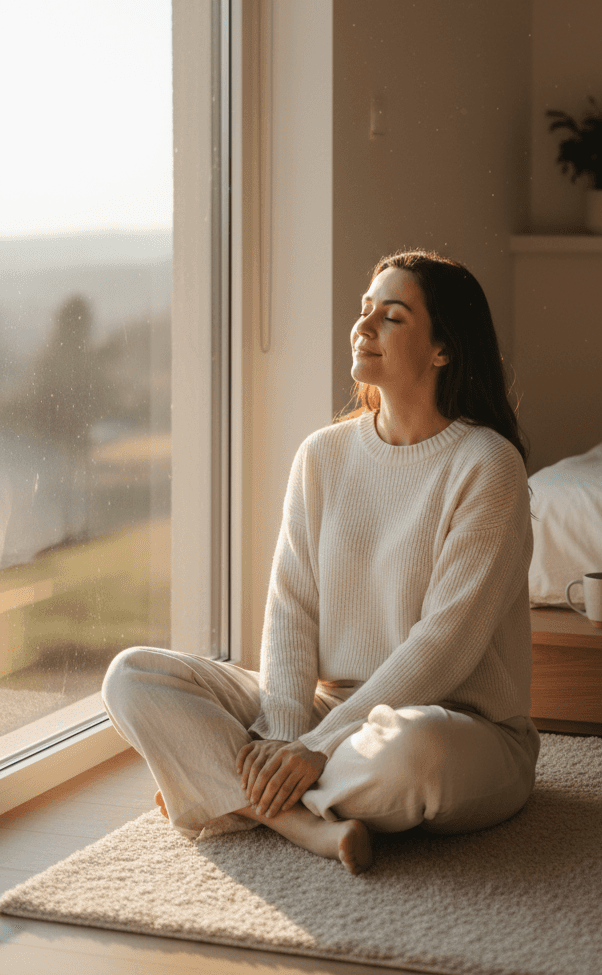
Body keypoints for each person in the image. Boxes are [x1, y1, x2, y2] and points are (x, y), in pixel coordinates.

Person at [102, 249, 540, 875]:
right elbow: (292, 605)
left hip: (454, 726)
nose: (363, 327)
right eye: (365, 312)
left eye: (392, 317)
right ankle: (295, 820)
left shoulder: (487, 464)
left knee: (417, 758)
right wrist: (284, 734)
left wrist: (312, 747)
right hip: (325, 712)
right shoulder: (323, 455)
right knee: (132, 676)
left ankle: (218, 792)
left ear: (443, 348)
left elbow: (447, 644)